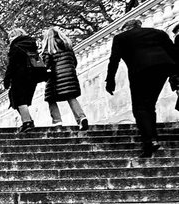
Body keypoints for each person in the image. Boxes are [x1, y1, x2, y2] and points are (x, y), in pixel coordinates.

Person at [104, 17, 179, 158]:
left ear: (126, 28)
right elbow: (174, 52)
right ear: (139, 25)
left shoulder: (121, 37)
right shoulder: (158, 32)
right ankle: (152, 139)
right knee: (149, 105)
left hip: (140, 71)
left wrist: (110, 81)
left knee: (139, 108)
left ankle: (149, 141)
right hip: (162, 68)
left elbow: (114, 60)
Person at [39, 28, 89, 131]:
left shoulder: (48, 49)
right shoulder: (68, 47)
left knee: (50, 99)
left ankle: (57, 122)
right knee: (71, 97)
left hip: (55, 78)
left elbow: (46, 66)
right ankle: (81, 117)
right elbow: (74, 62)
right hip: (70, 76)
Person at [3, 27, 45, 133]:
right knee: (24, 100)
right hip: (33, 76)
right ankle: (28, 120)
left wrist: (7, 79)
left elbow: (12, 65)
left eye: (10, 37)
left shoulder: (15, 46)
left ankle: (27, 122)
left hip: (19, 76)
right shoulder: (31, 45)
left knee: (18, 99)